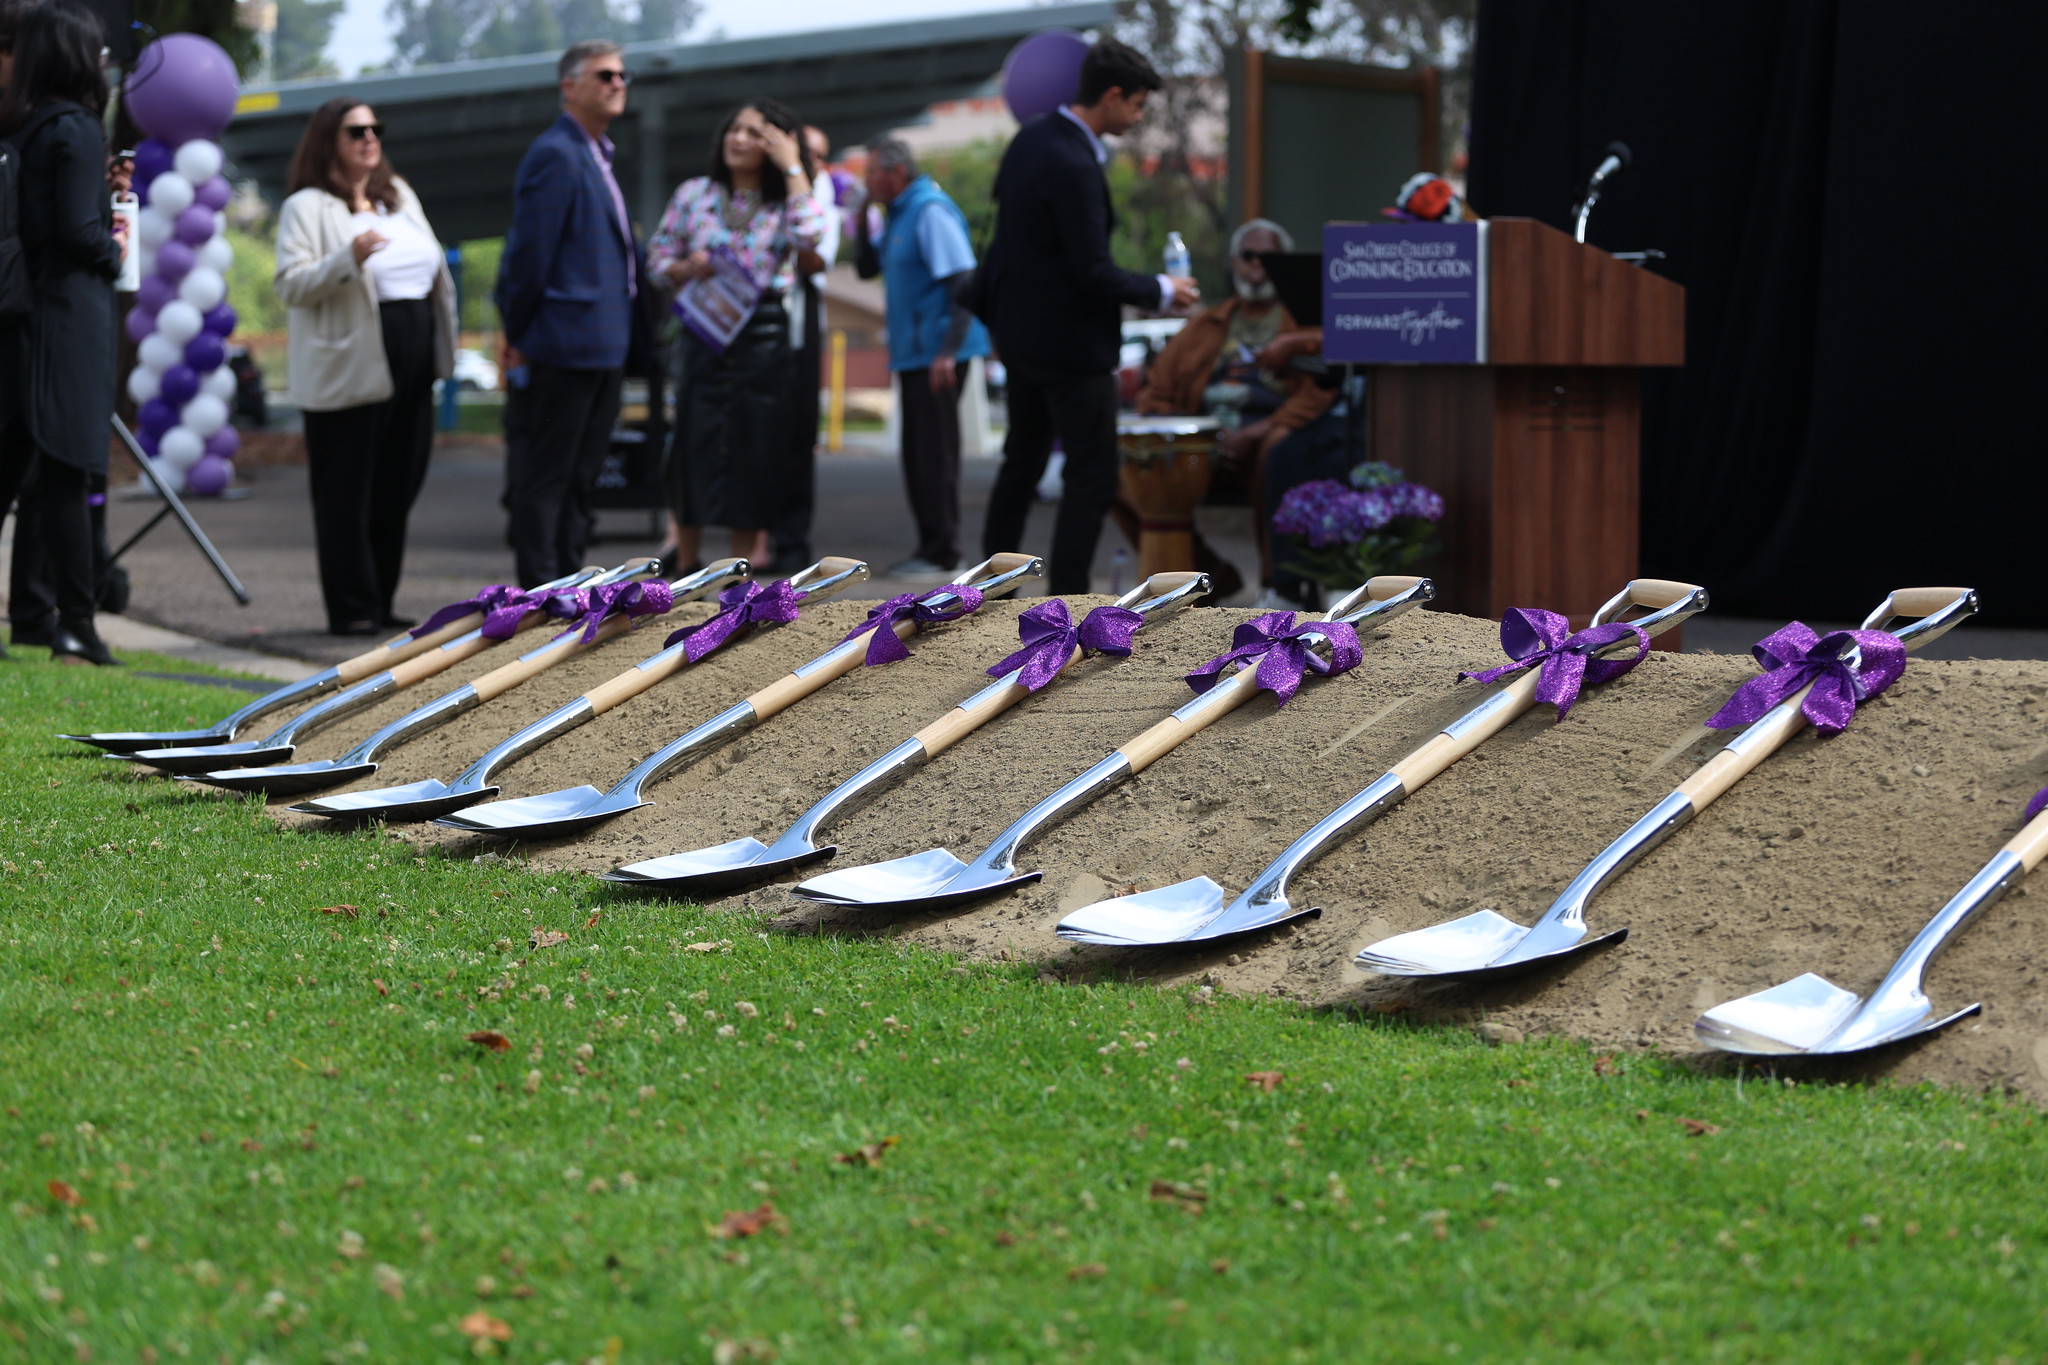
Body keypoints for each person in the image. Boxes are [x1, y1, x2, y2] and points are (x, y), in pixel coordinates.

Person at [975, 37, 1197, 594]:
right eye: (1139, 106)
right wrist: (1161, 288)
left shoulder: (1030, 140)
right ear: (1113, 95)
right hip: (1072, 347)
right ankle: (1068, 597)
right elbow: (1091, 271)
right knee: (1091, 475)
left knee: (1021, 462)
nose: (1139, 117)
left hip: (1020, 337)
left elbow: (1008, 246)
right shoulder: (1074, 161)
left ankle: (988, 589)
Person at [274, 98, 456, 636]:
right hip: (348, 362)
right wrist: (346, 258)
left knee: (399, 479)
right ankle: (351, 606)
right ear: (329, 139)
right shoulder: (307, 206)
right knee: (346, 487)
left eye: (376, 128)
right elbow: (290, 285)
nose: (370, 138)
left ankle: (380, 598)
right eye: (357, 131)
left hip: (413, 355)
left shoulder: (398, 196)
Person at [0, 0, 126, 664]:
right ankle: (77, 620)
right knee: (67, 474)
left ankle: (37, 614)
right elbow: (80, 234)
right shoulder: (76, 127)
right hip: (66, 321)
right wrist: (114, 250)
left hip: (23, 320)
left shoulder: (23, 125)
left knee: (16, 470)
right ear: (77, 58)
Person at [647, 98, 822, 571]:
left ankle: (738, 573)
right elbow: (658, 260)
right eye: (734, 129)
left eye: (754, 133)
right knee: (692, 441)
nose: (738, 139)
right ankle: (685, 564)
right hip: (703, 330)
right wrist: (686, 267)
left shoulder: (785, 199)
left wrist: (791, 166)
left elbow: (811, 237)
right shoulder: (694, 193)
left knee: (755, 445)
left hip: (763, 335)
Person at [494, 40, 643, 588]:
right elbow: (529, 257)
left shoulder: (597, 154)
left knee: (581, 478)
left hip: (604, 343)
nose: (618, 83)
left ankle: (573, 586)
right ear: (569, 86)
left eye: (623, 75)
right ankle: (541, 592)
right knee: (548, 477)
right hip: (562, 342)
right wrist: (519, 331)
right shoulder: (556, 153)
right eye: (605, 74)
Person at [1128, 218, 1334, 599]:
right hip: (1200, 453)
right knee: (1119, 472)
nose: (1257, 267)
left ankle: (1278, 587)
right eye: (1248, 256)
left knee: (1277, 451)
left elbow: (1320, 393)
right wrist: (1184, 433)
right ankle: (1213, 576)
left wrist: (1256, 433)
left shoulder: (1303, 322)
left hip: (1262, 442)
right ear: (1233, 262)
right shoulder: (1208, 323)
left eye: (1268, 258)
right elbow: (1156, 392)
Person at [855, 136, 988, 578]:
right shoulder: (896, 214)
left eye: (871, 170)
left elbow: (963, 283)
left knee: (935, 455)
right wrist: (860, 219)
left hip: (937, 354)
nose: (865, 179)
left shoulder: (929, 209)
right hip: (914, 355)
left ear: (896, 172)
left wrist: (947, 352)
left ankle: (945, 553)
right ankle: (931, 547)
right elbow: (865, 269)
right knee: (918, 454)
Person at [766, 123, 840, 574]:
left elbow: (813, 254)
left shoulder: (817, 195)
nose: (810, 160)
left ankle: (789, 539)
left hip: (796, 320)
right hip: (750, 321)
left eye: (815, 155)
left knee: (795, 433)